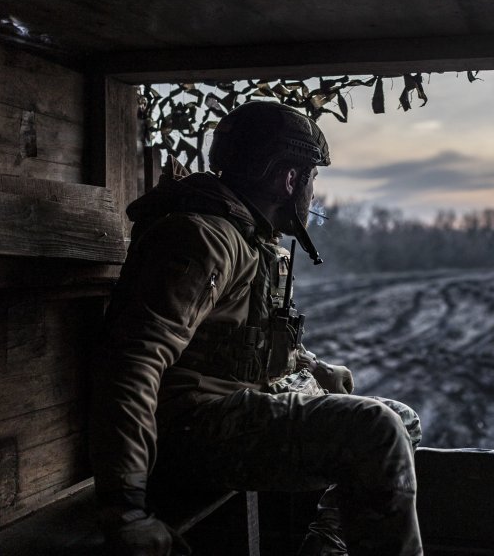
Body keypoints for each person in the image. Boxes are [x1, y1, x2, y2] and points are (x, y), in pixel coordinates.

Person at [89, 101, 423, 555]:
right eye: (311, 179)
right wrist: (126, 509)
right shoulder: (204, 238)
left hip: (231, 413)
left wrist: (313, 365)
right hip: (189, 432)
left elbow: (239, 336)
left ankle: (326, 548)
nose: (311, 194)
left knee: (401, 419)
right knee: (377, 429)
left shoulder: (248, 237)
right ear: (289, 178)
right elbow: (131, 364)